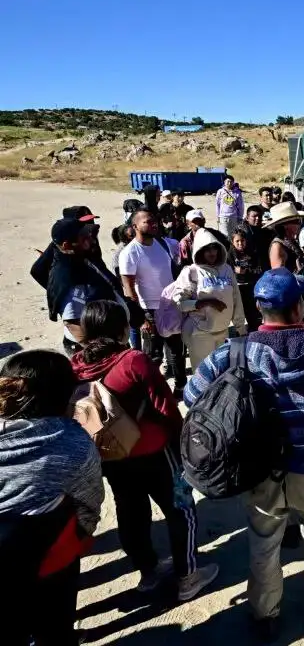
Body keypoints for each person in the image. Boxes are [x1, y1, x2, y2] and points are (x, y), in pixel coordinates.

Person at [184, 268, 304, 639]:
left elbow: (192, 396)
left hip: (259, 468)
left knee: (264, 542)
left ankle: (265, 614)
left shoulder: (236, 351)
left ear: (258, 309)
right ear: (299, 307)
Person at [71, 300, 219, 601]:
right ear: (121, 329)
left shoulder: (75, 367)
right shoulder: (134, 360)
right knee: (181, 510)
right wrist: (183, 447)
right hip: (154, 452)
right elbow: (165, 409)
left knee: (131, 513)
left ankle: (148, 572)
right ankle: (188, 576)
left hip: (111, 455)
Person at [0, 350, 104, 646]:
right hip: (49, 557)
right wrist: (83, 532)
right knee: (55, 627)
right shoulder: (73, 444)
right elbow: (89, 505)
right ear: (64, 397)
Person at [120, 209, 187, 396]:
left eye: (154, 221)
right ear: (135, 226)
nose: (153, 224)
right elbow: (129, 288)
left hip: (171, 306)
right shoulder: (130, 252)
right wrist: (141, 318)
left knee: (176, 351)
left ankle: (181, 387)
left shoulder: (162, 243)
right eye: (147, 222)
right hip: (149, 310)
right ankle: (152, 392)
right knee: (153, 356)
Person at [46, 217, 132, 356]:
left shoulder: (80, 261)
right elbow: (73, 322)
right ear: (67, 245)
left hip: (111, 342)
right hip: (93, 349)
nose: (91, 241)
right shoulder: (68, 275)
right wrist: (101, 353)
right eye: (84, 238)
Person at [173, 229, 246, 372]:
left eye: (215, 248)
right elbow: (179, 303)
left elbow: (236, 299)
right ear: (199, 251)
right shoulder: (191, 271)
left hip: (223, 330)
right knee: (203, 375)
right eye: (207, 249)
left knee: (222, 374)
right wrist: (206, 303)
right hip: (200, 333)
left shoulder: (227, 269)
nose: (212, 253)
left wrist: (240, 327)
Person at [264, 202, 304, 274]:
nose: (299, 224)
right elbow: (279, 276)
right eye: (296, 221)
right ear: (286, 225)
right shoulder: (277, 246)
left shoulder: (291, 240)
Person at [231, 230, 264, 330]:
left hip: (251, 286)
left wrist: (246, 271)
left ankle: (254, 330)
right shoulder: (230, 254)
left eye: (242, 240)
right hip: (237, 287)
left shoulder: (252, 252)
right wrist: (234, 270)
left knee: (253, 312)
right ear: (233, 242)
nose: (240, 243)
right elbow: (225, 270)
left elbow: (259, 269)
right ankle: (240, 331)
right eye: (237, 241)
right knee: (239, 312)